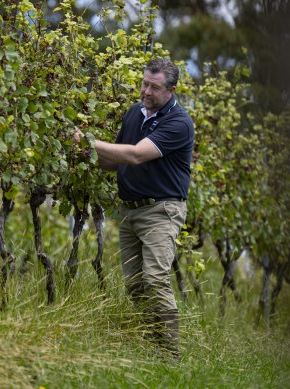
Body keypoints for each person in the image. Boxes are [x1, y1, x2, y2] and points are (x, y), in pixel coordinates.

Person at [75, 58, 194, 359]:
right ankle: (151, 345)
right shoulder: (133, 114)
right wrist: (83, 151)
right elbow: (114, 162)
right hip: (130, 211)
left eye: (154, 87)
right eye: (144, 84)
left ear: (170, 90)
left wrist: (89, 139)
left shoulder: (178, 121)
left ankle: (171, 354)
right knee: (135, 285)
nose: (146, 91)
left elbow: (136, 155)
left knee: (155, 280)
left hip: (161, 210)